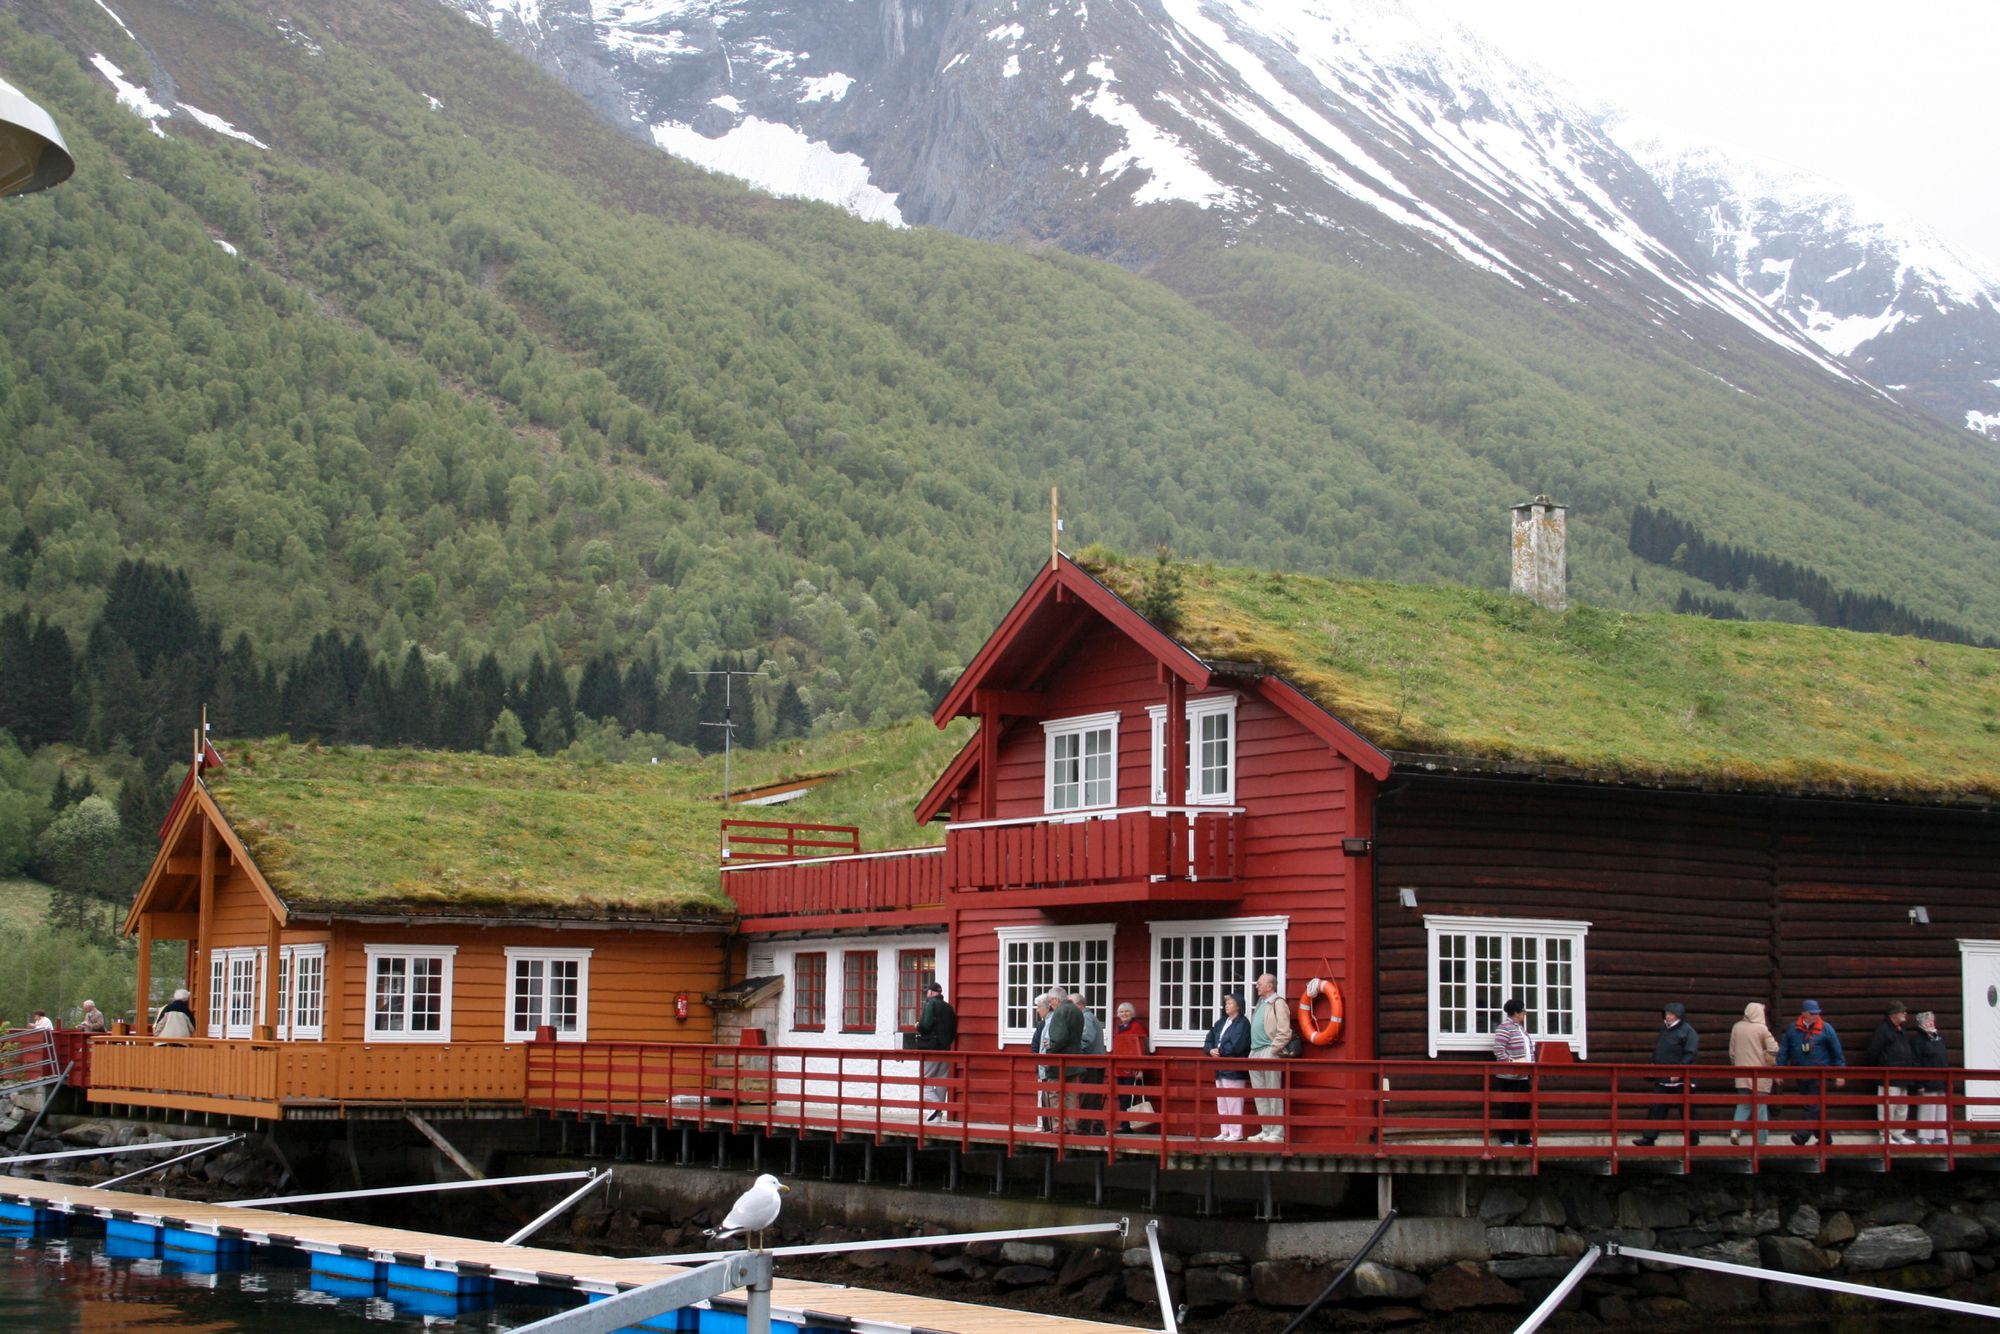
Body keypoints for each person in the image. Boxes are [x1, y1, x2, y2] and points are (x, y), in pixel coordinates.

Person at [1778, 999, 1846, 1144]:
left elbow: (1837, 1051)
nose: (1815, 1016)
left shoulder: (1826, 1028)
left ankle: (1801, 1135)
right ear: (1804, 1014)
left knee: (1813, 1105)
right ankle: (1825, 1138)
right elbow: (1784, 1051)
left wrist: (1840, 1073)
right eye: (1812, 1013)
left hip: (1820, 1074)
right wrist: (1779, 1070)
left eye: (1817, 1013)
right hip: (1801, 1074)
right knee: (1814, 1107)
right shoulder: (1793, 1029)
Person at [1632, 1002, 1700, 1146]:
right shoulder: (1664, 1030)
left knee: (1687, 1111)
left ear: (1678, 1016)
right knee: (1657, 1107)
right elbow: (1658, 1050)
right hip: (1663, 1077)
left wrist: (1679, 1071)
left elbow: (1690, 1054)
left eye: (1671, 1014)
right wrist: (1652, 1064)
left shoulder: (1688, 1032)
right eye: (1667, 1014)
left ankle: (1692, 1142)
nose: (1668, 1017)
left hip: (1682, 1079)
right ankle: (1649, 1138)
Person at [1248, 972, 1295, 1142]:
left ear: (1270, 986)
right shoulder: (1261, 1003)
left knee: (1273, 1092)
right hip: (1255, 1051)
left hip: (1268, 1050)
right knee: (1260, 1093)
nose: (1257, 986)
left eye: (1260, 983)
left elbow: (1284, 1031)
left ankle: (1277, 1132)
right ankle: (1266, 1129)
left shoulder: (1278, 1003)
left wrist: (1273, 1049)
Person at [1864, 999, 1917, 1144]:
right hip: (1888, 1077)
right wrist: (1880, 1072)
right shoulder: (1883, 1030)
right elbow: (1873, 1052)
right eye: (1902, 1011)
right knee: (1887, 1108)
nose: (1905, 1014)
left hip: (1903, 1076)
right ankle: (1885, 1136)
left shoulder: (1901, 1031)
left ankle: (1898, 1134)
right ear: (1893, 1014)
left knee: (1901, 1108)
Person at [1729, 1002, 1780, 1146]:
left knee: (1743, 1104)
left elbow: (1732, 1053)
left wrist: (1737, 1066)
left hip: (1741, 1074)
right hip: (1760, 1075)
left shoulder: (1737, 1027)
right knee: (1761, 1108)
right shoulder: (1761, 1029)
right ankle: (1761, 1140)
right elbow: (1774, 1048)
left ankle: (1735, 1131)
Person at [1205, 991, 1251, 1141]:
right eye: (1226, 1003)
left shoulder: (1243, 1023)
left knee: (1234, 1101)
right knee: (1222, 1101)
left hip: (1234, 1068)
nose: (1226, 1006)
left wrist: (1220, 1051)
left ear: (1238, 1006)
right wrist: (1210, 1050)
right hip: (1220, 1066)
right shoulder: (1221, 1022)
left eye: (1230, 1003)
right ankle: (1225, 1131)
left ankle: (1236, 1133)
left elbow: (1237, 1045)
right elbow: (1210, 1037)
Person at [1491, 998, 1534, 1147]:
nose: (1525, 1014)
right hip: (1509, 1075)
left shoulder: (1520, 1028)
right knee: (1509, 1107)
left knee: (1524, 1108)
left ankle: (1524, 1138)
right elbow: (1499, 1050)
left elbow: (1528, 1048)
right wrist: (1511, 1063)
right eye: (1523, 1011)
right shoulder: (1505, 1027)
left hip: (1523, 1075)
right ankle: (1507, 1139)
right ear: (1516, 1012)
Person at [1042, 989, 1084, 1130]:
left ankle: (1058, 1127)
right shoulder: (1077, 1011)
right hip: (1075, 1059)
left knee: (1055, 1093)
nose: (1050, 1004)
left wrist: (1051, 1046)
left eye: (1050, 1001)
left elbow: (1059, 1038)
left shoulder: (1060, 1012)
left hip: (1060, 1062)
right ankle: (1070, 1125)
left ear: (1055, 1000)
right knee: (1070, 1095)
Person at [916, 981, 957, 1123]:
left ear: (932, 993)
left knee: (923, 1080)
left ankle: (936, 1108)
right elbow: (953, 1032)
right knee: (941, 1081)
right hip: (945, 1049)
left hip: (931, 1048)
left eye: (927, 992)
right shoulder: (949, 1008)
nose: (926, 994)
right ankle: (937, 1116)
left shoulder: (930, 1004)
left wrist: (918, 1026)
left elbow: (925, 1026)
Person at [1908, 1011, 1950, 1145]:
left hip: (1941, 1080)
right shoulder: (1918, 1040)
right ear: (1921, 1024)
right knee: (1927, 1108)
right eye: (1927, 1021)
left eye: (1932, 1021)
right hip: (1927, 1080)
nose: (1930, 1023)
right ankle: (1925, 1136)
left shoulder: (1938, 1038)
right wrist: (1919, 1083)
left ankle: (1940, 1135)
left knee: (1941, 1108)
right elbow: (1916, 1062)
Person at [1113, 1002, 1151, 1128]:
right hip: (1120, 1068)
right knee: (1122, 1096)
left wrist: (1140, 1068)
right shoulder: (1119, 1028)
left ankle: (1127, 1125)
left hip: (1132, 1068)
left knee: (1129, 1097)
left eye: (1127, 1011)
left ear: (1132, 1013)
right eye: (1121, 1012)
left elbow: (1141, 1049)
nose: (1124, 1014)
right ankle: (1124, 1124)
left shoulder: (1136, 1027)